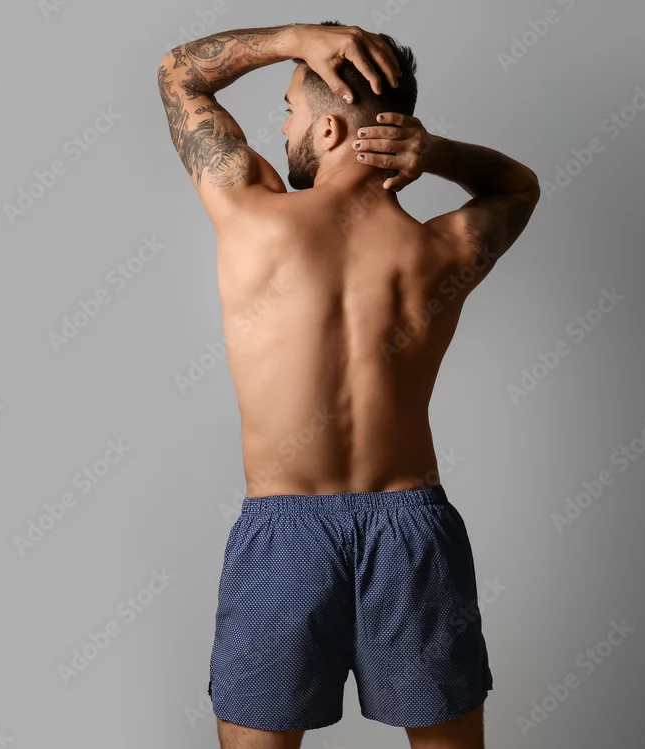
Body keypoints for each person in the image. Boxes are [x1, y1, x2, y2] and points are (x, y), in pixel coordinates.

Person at [158, 20, 540, 749]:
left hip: (285, 530)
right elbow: (519, 185)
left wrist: (295, 38)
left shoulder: (254, 218)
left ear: (329, 129)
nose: (283, 127)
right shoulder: (442, 248)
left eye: (290, 112)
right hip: (412, 525)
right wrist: (435, 153)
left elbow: (179, 72)